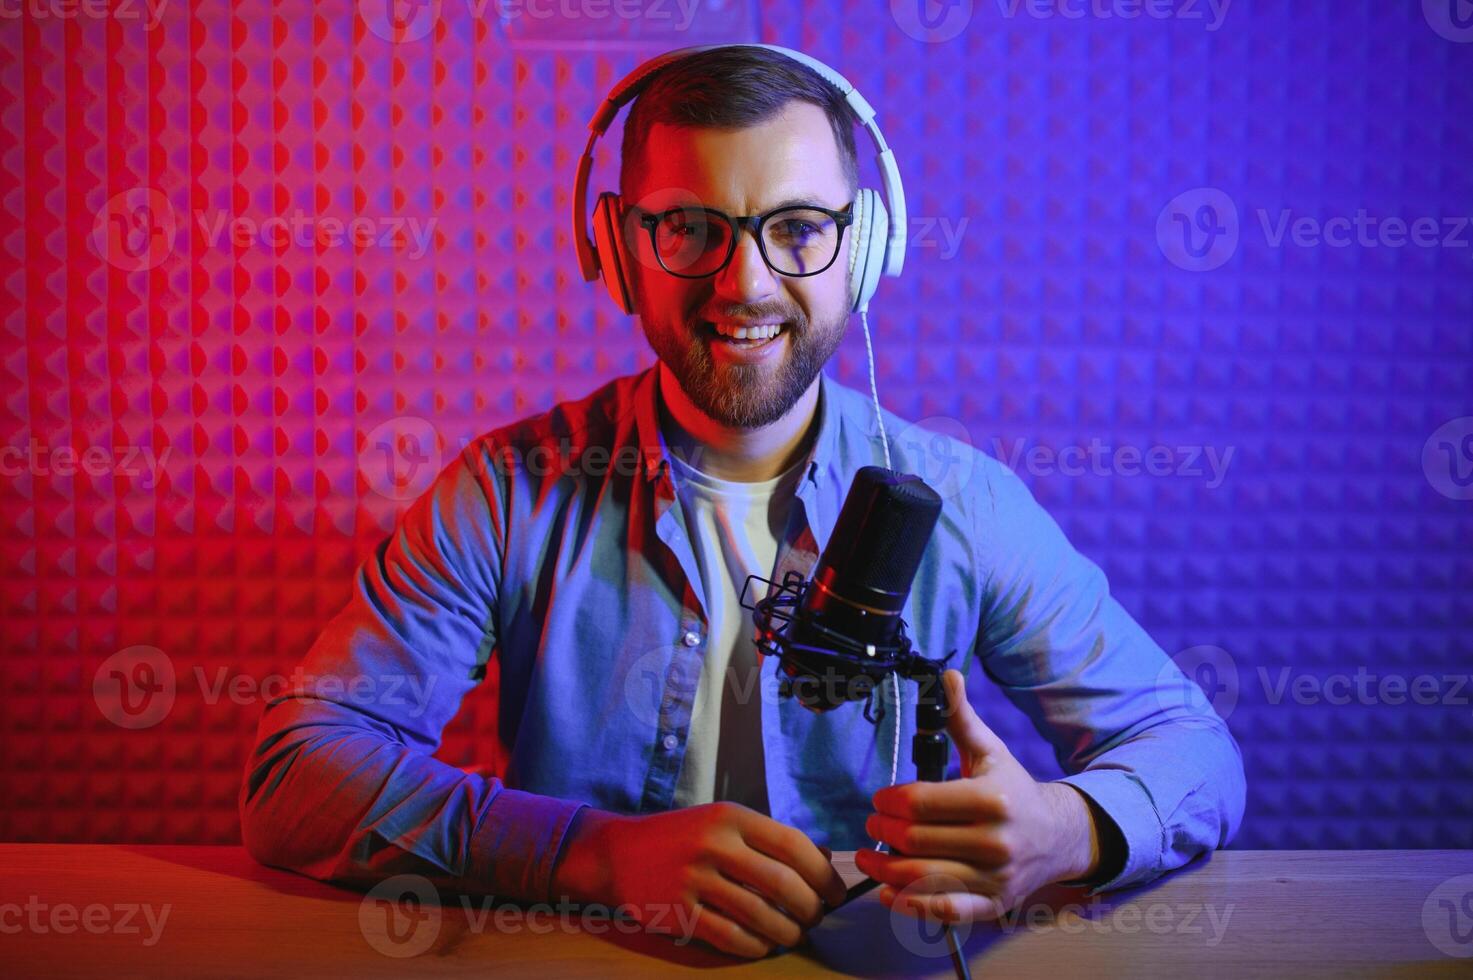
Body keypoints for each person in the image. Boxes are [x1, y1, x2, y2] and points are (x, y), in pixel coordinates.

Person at [239, 44, 1245, 960]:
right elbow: (296, 776)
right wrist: (588, 854)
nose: (745, 281)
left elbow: (1194, 750)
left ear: (868, 244)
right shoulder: (508, 490)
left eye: (799, 229)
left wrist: (1060, 831)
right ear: (616, 246)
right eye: (689, 228)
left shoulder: (965, 501)